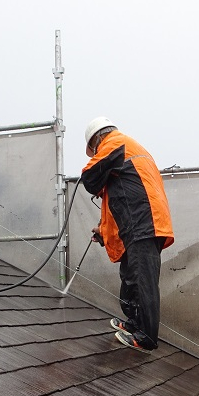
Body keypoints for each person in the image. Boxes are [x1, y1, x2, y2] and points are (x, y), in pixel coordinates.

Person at [81, 117, 174, 352]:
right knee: (131, 277)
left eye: (94, 150)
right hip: (140, 222)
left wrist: (94, 173)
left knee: (144, 280)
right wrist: (103, 231)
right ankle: (135, 324)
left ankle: (146, 338)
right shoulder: (124, 155)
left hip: (145, 222)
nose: (95, 155)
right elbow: (117, 200)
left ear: (98, 139)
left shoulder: (116, 143)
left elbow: (90, 178)